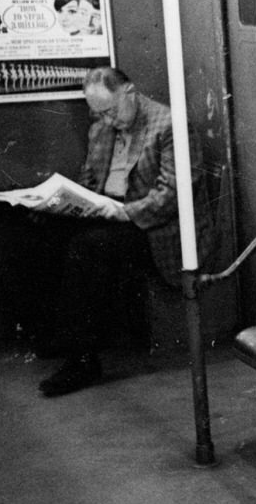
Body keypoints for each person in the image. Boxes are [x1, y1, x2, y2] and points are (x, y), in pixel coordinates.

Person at [34, 66, 208, 397]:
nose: (107, 120)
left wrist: (125, 212)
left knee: (91, 248)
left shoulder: (169, 125)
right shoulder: (102, 126)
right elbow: (91, 179)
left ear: (129, 93)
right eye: (98, 113)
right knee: (45, 230)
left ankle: (82, 360)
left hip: (153, 224)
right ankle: (60, 335)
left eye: (111, 110)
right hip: (110, 211)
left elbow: (172, 195)